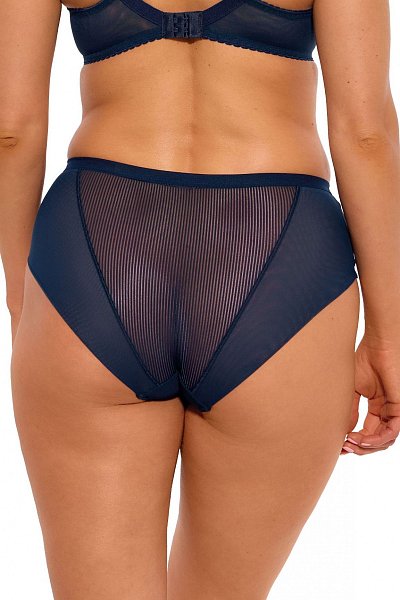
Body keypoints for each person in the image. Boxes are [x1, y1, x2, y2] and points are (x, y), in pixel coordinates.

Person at [1, 0, 399, 598]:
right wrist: (389, 334)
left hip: (95, 246)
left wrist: (24, 298)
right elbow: (366, 135)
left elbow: (11, 129)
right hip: (277, 251)